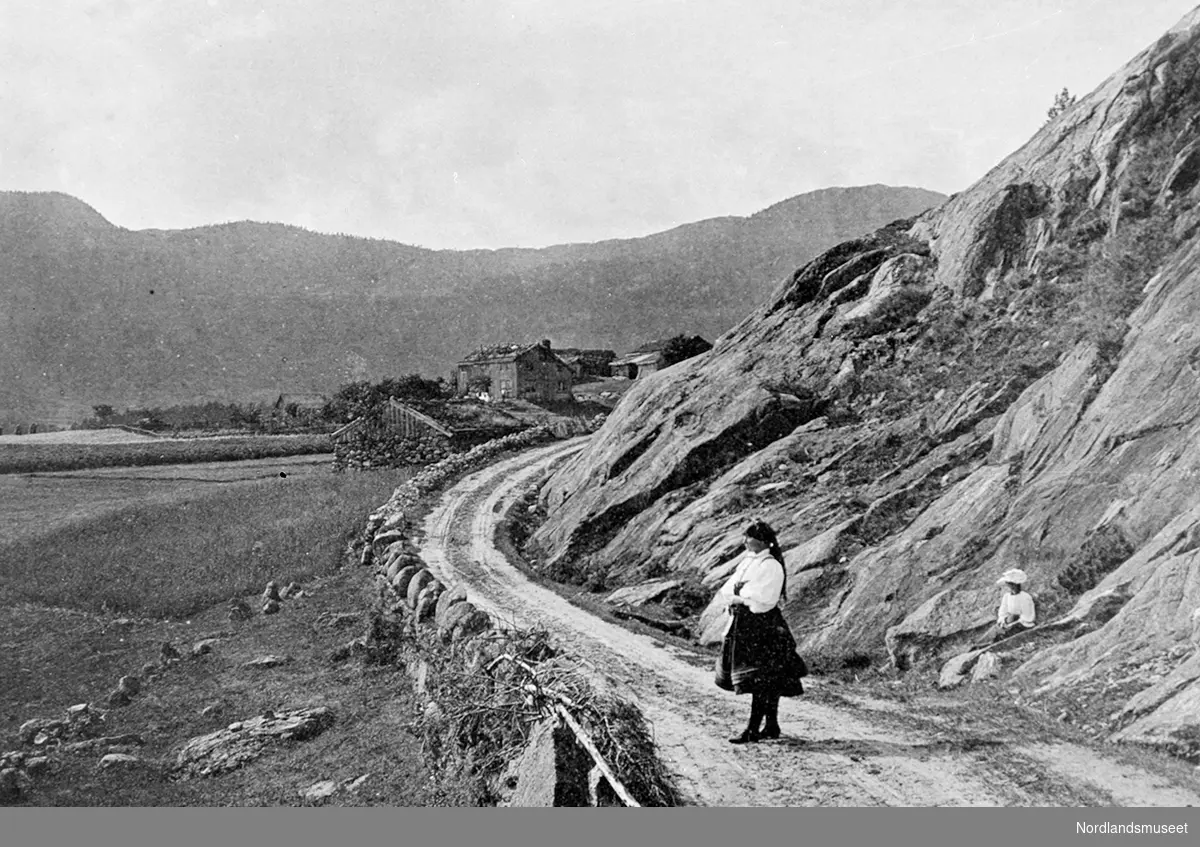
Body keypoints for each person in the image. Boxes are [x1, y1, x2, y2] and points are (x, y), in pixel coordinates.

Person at [713, 519, 807, 744]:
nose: (746, 541)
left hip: (763, 626)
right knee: (765, 679)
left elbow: (763, 598)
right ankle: (771, 726)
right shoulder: (748, 562)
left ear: (764, 542)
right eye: (746, 537)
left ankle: (753, 729)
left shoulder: (770, 565)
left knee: (761, 679)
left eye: (751, 537)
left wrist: (741, 597)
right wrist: (738, 597)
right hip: (745, 624)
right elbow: (731, 588)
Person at [991, 567, 1036, 641]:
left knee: (1004, 635)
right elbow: (1002, 613)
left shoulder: (1025, 597)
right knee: (994, 631)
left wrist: (1015, 619)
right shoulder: (1007, 596)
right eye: (1008, 585)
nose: (1010, 587)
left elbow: (1028, 617)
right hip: (1008, 623)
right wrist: (1005, 620)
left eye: (1011, 585)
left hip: (1022, 625)